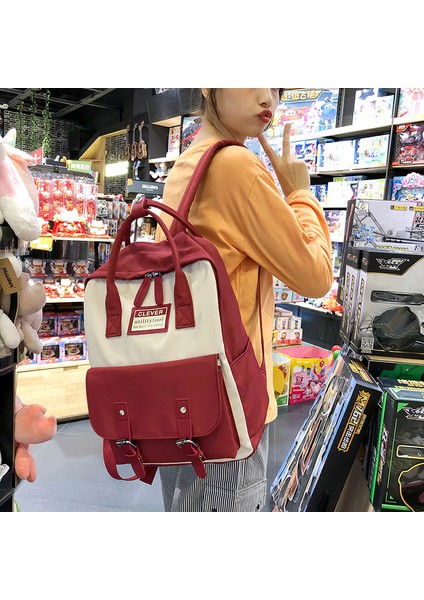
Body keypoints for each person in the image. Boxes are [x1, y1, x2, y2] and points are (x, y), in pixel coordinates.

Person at [157, 88, 333, 512]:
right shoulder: (237, 165)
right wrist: (299, 193)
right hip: (229, 404)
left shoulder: (190, 161)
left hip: (180, 392)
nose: (267, 97)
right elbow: (315, 276)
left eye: (276, 86)